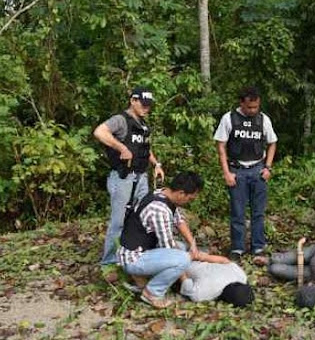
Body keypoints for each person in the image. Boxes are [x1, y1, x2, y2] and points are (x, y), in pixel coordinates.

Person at [118, 172, 226, 308]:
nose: (189, 202)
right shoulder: (159, 209)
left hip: (139, 249)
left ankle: (142, 278)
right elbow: (168, 248)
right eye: (190, 198)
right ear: (181, 193)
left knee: (181, 247)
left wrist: (192, 244)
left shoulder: (162, 194)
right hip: (134, 258)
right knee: (182, 259)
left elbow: (179, 220)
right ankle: (151, 293)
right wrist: (186, 276)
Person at [94, 87, 165, 265]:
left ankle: (135, 254)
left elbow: (145, 149)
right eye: (143, 104)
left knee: (140, 217)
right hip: (123, 177)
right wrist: (121, 148)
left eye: (149, 106)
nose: (146, 108)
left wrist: (156, 164)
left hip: (141, 177)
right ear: (133, 100)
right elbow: (99, 132)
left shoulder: (142, 123)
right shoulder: (121, 120)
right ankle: (109, 262)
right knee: (118, 221)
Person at [213, 86, 278, 261]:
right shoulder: (229, 119)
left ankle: (258, 247)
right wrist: (226, 172)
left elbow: (272, 143)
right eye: (250, 107)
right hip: (237, 170)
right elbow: (221, 146)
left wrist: (268, 167)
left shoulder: (263, 120)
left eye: (256, 107)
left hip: (258, 169)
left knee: (258, 212)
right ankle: (237, 248)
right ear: (241, 103)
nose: (253, 110)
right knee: (237, 212)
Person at [179, 262, 254, 308]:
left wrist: (200, 256)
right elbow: (186, 283)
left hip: (194, 257)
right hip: (187, 261)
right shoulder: (203, 294)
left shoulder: (241, 276)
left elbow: (224, 260)